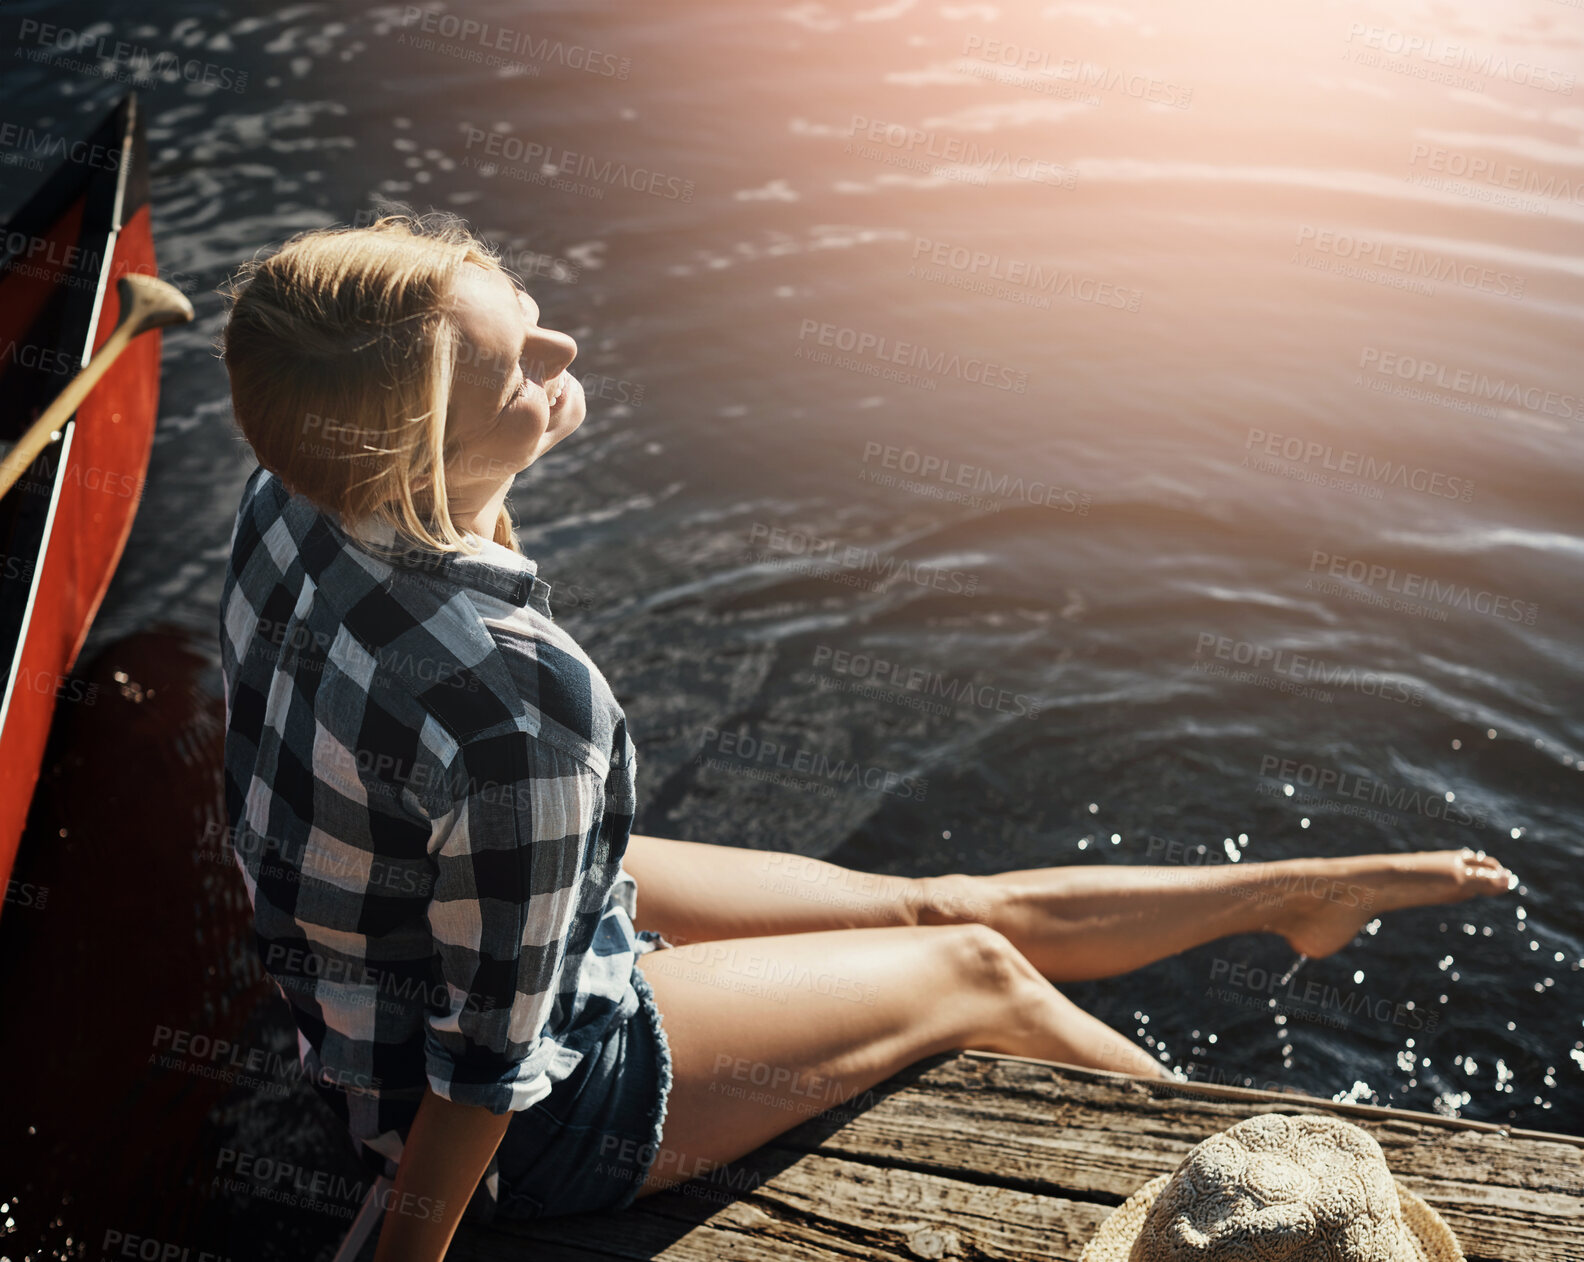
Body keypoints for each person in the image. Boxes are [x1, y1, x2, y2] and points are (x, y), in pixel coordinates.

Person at [216, 213, 1513, 1262]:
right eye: (516, 367)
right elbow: (488, 1071)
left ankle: (1296, 894)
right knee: (976, 964)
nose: (559, 344)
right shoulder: (523, 709)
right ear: (406, 456)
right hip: (530, 1115)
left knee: (931, 900)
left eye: (515, 305)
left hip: (408, 958)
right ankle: (1243, 1211)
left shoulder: (291, 495)